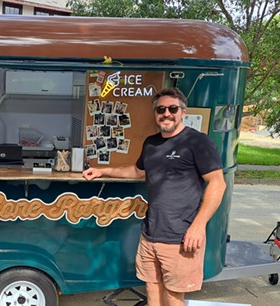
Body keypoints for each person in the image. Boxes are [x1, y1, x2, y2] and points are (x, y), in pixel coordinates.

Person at [82, 88, 226, 306]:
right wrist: (103, 171)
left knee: (173, 296)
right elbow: (138, 171)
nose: (166, 113)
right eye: (161, 109)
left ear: (183, 112)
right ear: (155, 113)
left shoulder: (198, 142)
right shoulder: (151, 143)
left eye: (172, 108)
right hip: (150, 233)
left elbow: (218, 183)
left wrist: (198, 227)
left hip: (180, 236)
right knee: (152, 288)